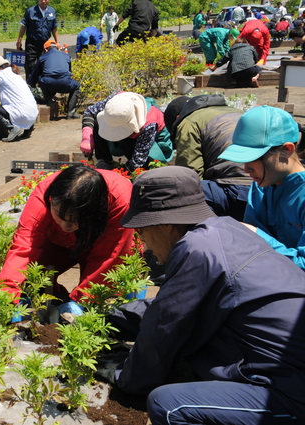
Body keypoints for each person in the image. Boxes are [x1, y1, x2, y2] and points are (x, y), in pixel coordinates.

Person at [101, 165, 305, 425]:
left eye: (141, 230)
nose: (143, 242)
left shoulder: (197, 249)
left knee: (169, 405)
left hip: (291, 390)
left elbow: (163, 328)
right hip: (286, 369)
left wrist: (123, 377)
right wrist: (107, 321)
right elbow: (169, 307)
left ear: (165, 224)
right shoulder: (227, 230)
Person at [0, 164, 135, 304]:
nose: (65, 226)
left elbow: (109, 257)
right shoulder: (45, 192)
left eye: (74, 221)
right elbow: (25, 245)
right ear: (51, 200)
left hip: (102, 242)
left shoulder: (120, 200)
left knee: (98, 296)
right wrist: (6, 291)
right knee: (34, 276)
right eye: (59, 216)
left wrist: (79, 301)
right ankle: (56, 299)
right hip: (58, 242)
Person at [218, 105, 305, 271]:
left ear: (287, 150)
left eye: (254, 159)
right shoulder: (260, 187)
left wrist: (258, 235)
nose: (246, 170)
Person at [162, 94, 251, 221]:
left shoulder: (188, 122)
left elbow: (190, 175)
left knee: (179, 190)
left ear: (177, 118)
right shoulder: (237, 112)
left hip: (236, 190)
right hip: (265, 186)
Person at [80, 91, 174, 172]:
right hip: (131, 138)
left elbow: (139, 158)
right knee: (95, 122)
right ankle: (105, 162)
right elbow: (90, 112)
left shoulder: (149, 123)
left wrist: (121, 174)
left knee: (141, 165)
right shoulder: (114, 103)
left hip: (154, 145)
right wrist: (87, 137)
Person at [0, 56, 38, 142]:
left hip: (21, 114)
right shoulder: (15, 74)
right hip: (33, 114)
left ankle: (12, 128)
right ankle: (28, 127)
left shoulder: (1, 73)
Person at [27, 40, 81, 119]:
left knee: (42, 78)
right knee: (76, 87)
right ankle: (70, 113)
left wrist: (30, 86)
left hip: (48, 84)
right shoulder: (66, 56)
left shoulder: (43, 57)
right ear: (57, 47)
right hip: (65, 83)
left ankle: (48, 100)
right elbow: (69, 72)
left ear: (45, 50)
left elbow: (34, 75)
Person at [16, 0, 59, 78]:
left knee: (44, 64)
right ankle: (30, 85)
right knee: (30, 65)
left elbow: (54, 28)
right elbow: (23, 26)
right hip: (32, 43)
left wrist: (57, 42)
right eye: (41, 0)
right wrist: (19, 40)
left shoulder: (51, 11)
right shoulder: (31, 11)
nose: (43, 1)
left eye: (45, 0)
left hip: (45, 44)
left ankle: (41, 84)